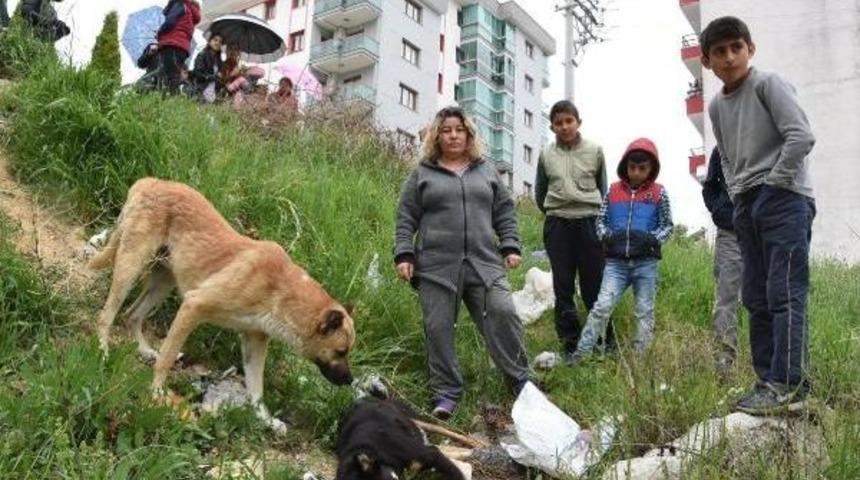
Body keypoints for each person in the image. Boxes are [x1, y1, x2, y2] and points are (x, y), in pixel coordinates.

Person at [701, 16, 815, 414]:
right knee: (756, 296)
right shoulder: (715, 106)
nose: (730, 57)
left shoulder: (768, 84)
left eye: (736, 47)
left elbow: (801, 135)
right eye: (720, 51)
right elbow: (728, 159)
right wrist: (737, 197)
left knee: (785, 292)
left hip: (785, 198)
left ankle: (790, 383)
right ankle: (768, 381)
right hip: (746, 204)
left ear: (751, 48)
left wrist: (774, 184)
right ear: (707, 61)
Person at [393, 106, 529, 420]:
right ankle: (446, 393)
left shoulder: (486, 170)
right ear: (436, 136)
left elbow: (505, 211)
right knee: (438, 328)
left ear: (469, 134)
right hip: (436, 265)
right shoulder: (423, 172)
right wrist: (404, 253)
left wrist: (510, 245)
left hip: (484, 261)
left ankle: (520, 382)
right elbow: (405, 217)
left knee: (504, 312)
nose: (453, 135)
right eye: (446, 130)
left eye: (459, 129)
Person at [567, 138, 673, 365]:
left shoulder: (659, 193)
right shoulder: (613, 191)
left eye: (642, 168)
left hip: (646, 263)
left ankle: (639, 361)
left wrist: (652, 239)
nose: (636, 173)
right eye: (632, 167)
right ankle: (580, 356)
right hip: (616, 264)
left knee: (644, 312)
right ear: (625, 166)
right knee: (602, 306)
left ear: (651, 168)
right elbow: (600, 221)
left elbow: (667, 226)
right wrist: (607, 235)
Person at [534, 100, 615, 364]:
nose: (564, 126)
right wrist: (555, 214)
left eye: (569, 121)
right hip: (558, 224)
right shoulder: (546, 154)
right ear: (552, 126)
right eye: (559, 123)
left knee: (594, 288)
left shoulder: (595, 151)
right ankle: (570, 345)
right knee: (563, 287)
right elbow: (539, 192)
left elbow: (604, 192)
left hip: (589, 223)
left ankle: (604, 342)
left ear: (579, 122)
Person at [701, 146, 743, 376]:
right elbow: (710, 186)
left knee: (767, 298)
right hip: (731, 232)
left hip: (763, 231)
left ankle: (770, 369)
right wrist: (721, 212)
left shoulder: (765, 133)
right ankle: (724, 364)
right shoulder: (722, 146)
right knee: (726, 297)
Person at [156, 0, 201, 94]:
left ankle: (173, 100)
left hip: (172, 45)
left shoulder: (180, 4)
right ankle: (175, 98)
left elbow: (170, 22)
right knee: (175, 75)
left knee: (171, 77)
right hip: (182, 48)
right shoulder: (190, 12)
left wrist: (159, 33)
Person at [192, 34, 224, 103]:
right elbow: (197, 73)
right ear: (209, 41)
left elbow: (220, 78)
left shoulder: (219, 61)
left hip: (214, 94)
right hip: (202, 91)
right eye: (215, 40)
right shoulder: (202, 55)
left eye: (220, 42)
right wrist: (214, 77)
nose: (217, 43)